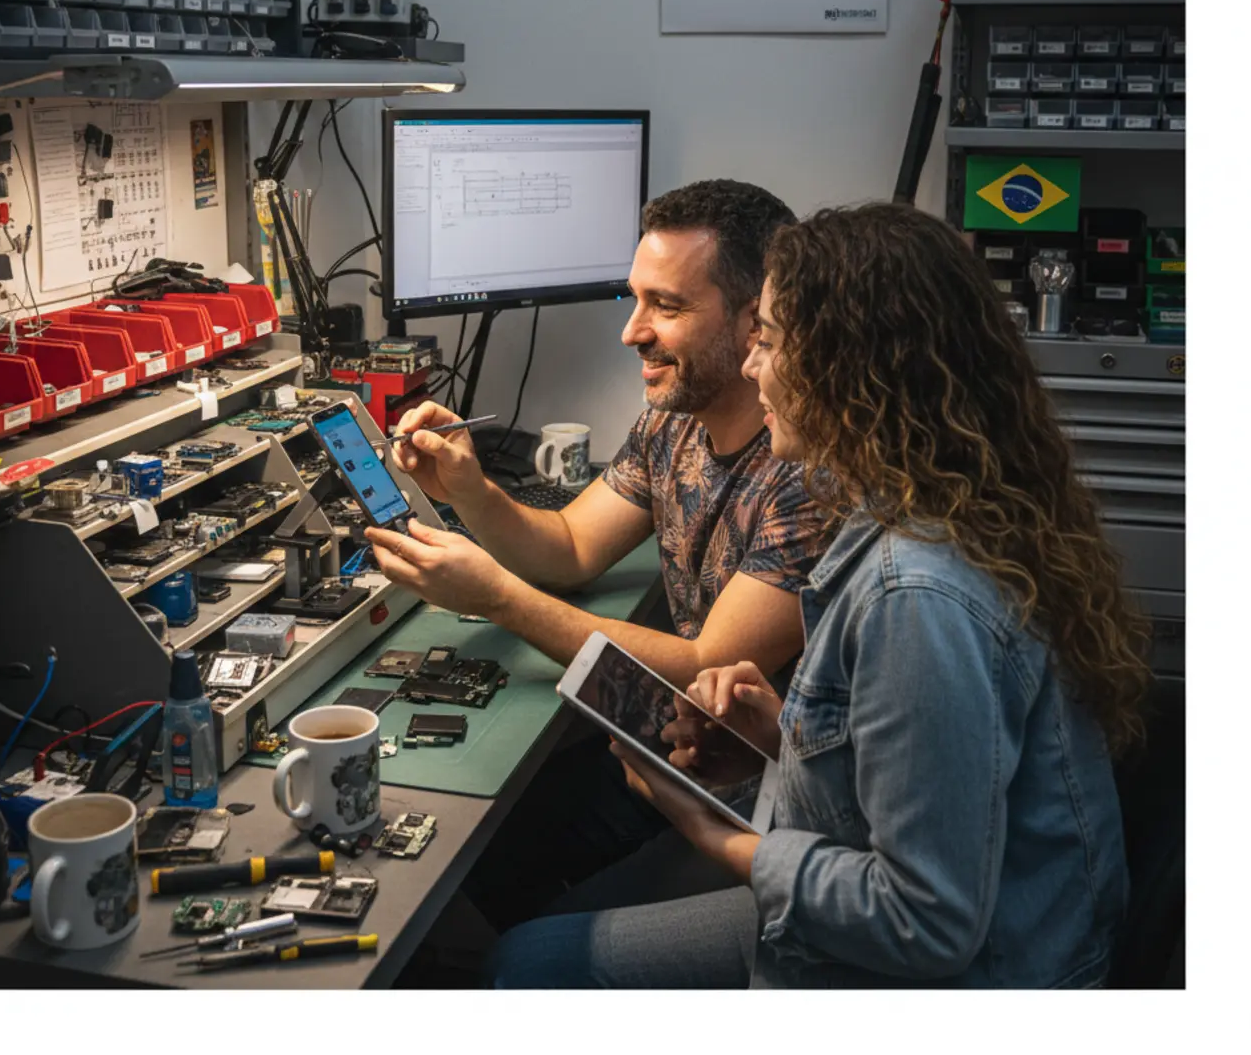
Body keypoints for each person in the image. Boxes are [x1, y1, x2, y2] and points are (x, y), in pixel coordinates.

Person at [488, 202, 1151, 988]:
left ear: (852, 367)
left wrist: (707, 829)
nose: (750, 365)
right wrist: (785, 741)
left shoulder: (917, 595)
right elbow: (923, 780)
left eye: (768, 338)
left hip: (962, 982)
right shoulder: (932, 511)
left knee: (527, 968)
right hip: (947, 931)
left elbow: (924, 923)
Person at [365, 180, 834, 928]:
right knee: (477, 861)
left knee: (514, 915)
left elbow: (705, 664)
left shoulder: (808, 473)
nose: (634, 332)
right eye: (635, 300)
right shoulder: (671, 421)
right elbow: (575, 546)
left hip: (753, 797)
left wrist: (499, 599)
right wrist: (472, 487)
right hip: (669, 753)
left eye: (668, 307)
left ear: (754, 322)